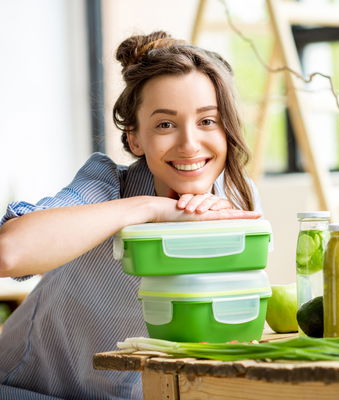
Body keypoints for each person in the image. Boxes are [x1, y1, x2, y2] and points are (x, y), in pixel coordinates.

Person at [0, 31, 261, 399]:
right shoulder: (106, 185)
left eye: (207, 121)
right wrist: (149, 208)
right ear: (135, 138)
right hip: (26, 389)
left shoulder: (236, 201)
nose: (189, 144)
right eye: (165, 124)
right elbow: (9, 253)